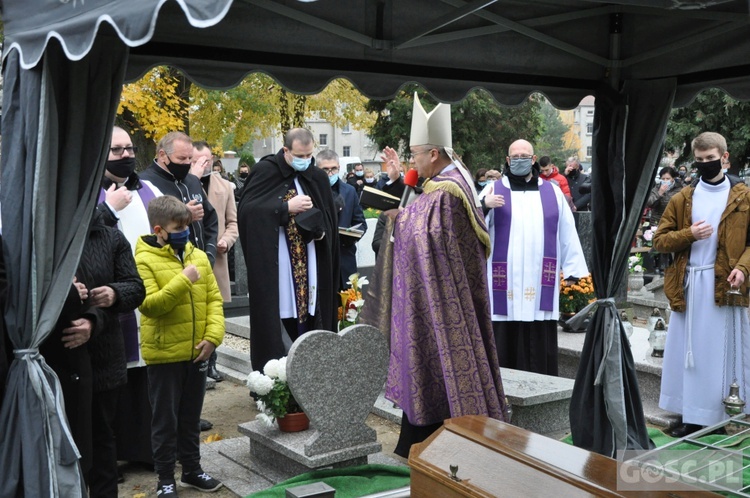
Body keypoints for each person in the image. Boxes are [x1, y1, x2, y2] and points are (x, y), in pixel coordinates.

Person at [385, 94, 507, 458]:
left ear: (434, 154)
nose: (413, 162)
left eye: (415, 155)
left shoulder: (447, 190)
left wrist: (399, 219)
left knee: (440, 360)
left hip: (444, 300)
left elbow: (428, 233)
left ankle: (441, 436)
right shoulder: (451, 179)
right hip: (449, 290)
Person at [653, 131, 750, 438]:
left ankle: (721, 416)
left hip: (725, 284)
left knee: (718, 353)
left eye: (711, 159)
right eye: (700, 160)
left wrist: (743, 270)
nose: (706, 164)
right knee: (689, 354)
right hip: (690, 283)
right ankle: (691, 417)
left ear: (725, 158)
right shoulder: (683, 198)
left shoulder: (743, 197)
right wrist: (689, 234)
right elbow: (659, 241)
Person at [136, 195, 225, 495]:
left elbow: (213, 299)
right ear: (159, 230)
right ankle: (164, 479)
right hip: (164, 355)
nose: (184, 232)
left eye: (187, 225)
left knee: (190, 418)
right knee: (165, 420)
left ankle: (192, 470)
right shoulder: (143, 259)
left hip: (197, 352)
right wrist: (184, 280)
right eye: (178, 227)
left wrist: (213, 338)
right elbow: (150, 305)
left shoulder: (196, 255)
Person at [481, 139, 588, 376]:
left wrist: (573, 270)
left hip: (540, 282)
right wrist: (483, 207)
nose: (519, 161)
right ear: (508, 161)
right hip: (504, 281)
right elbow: (471, 229)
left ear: (533, 160)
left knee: (539, 338)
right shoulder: (492, 190)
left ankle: (543, 389)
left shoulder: (552, 191)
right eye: (514, 157)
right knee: (503, 339)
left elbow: (567, 230)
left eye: (524, 156)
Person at [237, 128, 340, 372]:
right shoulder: (265, 171)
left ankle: (314, 371)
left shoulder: (317, 177)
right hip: (279, 259)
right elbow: (248, 212)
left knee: (312, 309)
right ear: (286, 150)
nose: (306, 161)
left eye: (309, 155)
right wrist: (285, 208)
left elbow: (328, 217)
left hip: (311, 258)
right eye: (300, 155)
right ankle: (276, 374)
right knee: (280, 310)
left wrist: (320, 228)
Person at [96, 126, 163, 470]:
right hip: (110, 299)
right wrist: (108, 207)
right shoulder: (88, 191)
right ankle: (111, 458)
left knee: (144, 381)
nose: (125, 156)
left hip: (148, 298)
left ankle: (143, 450)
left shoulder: (147, 189)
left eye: (128, 149)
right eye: (115, 150)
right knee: (116, 381)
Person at [191, 141, 238, 381]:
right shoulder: (182, 185)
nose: (203, 165)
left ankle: (212, 362)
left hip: (215, 259)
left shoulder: (225, 186)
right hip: (190, 258)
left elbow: (233, 223)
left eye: (207, 160)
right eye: (197, 160)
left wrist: (227, 241)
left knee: (215, 313)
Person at [139, 131, 219, 267]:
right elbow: (145, 225)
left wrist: (210, 252)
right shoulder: (144, 183)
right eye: (182, 158)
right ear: (162, 155)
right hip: (167, 267)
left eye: (190, 158)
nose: (187, 163)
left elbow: (211, 219)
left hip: (202, 262)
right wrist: (183, 215)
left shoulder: (193, 181)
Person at [318, 149, 367, 289]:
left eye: (333, 168)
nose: (330, 173)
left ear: (339, 168)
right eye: (325, 169)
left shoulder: (349, 191)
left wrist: (350, 235)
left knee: (348, 305)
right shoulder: (312, 191)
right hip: (321, 258)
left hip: (345, 256)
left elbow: (361, 223)